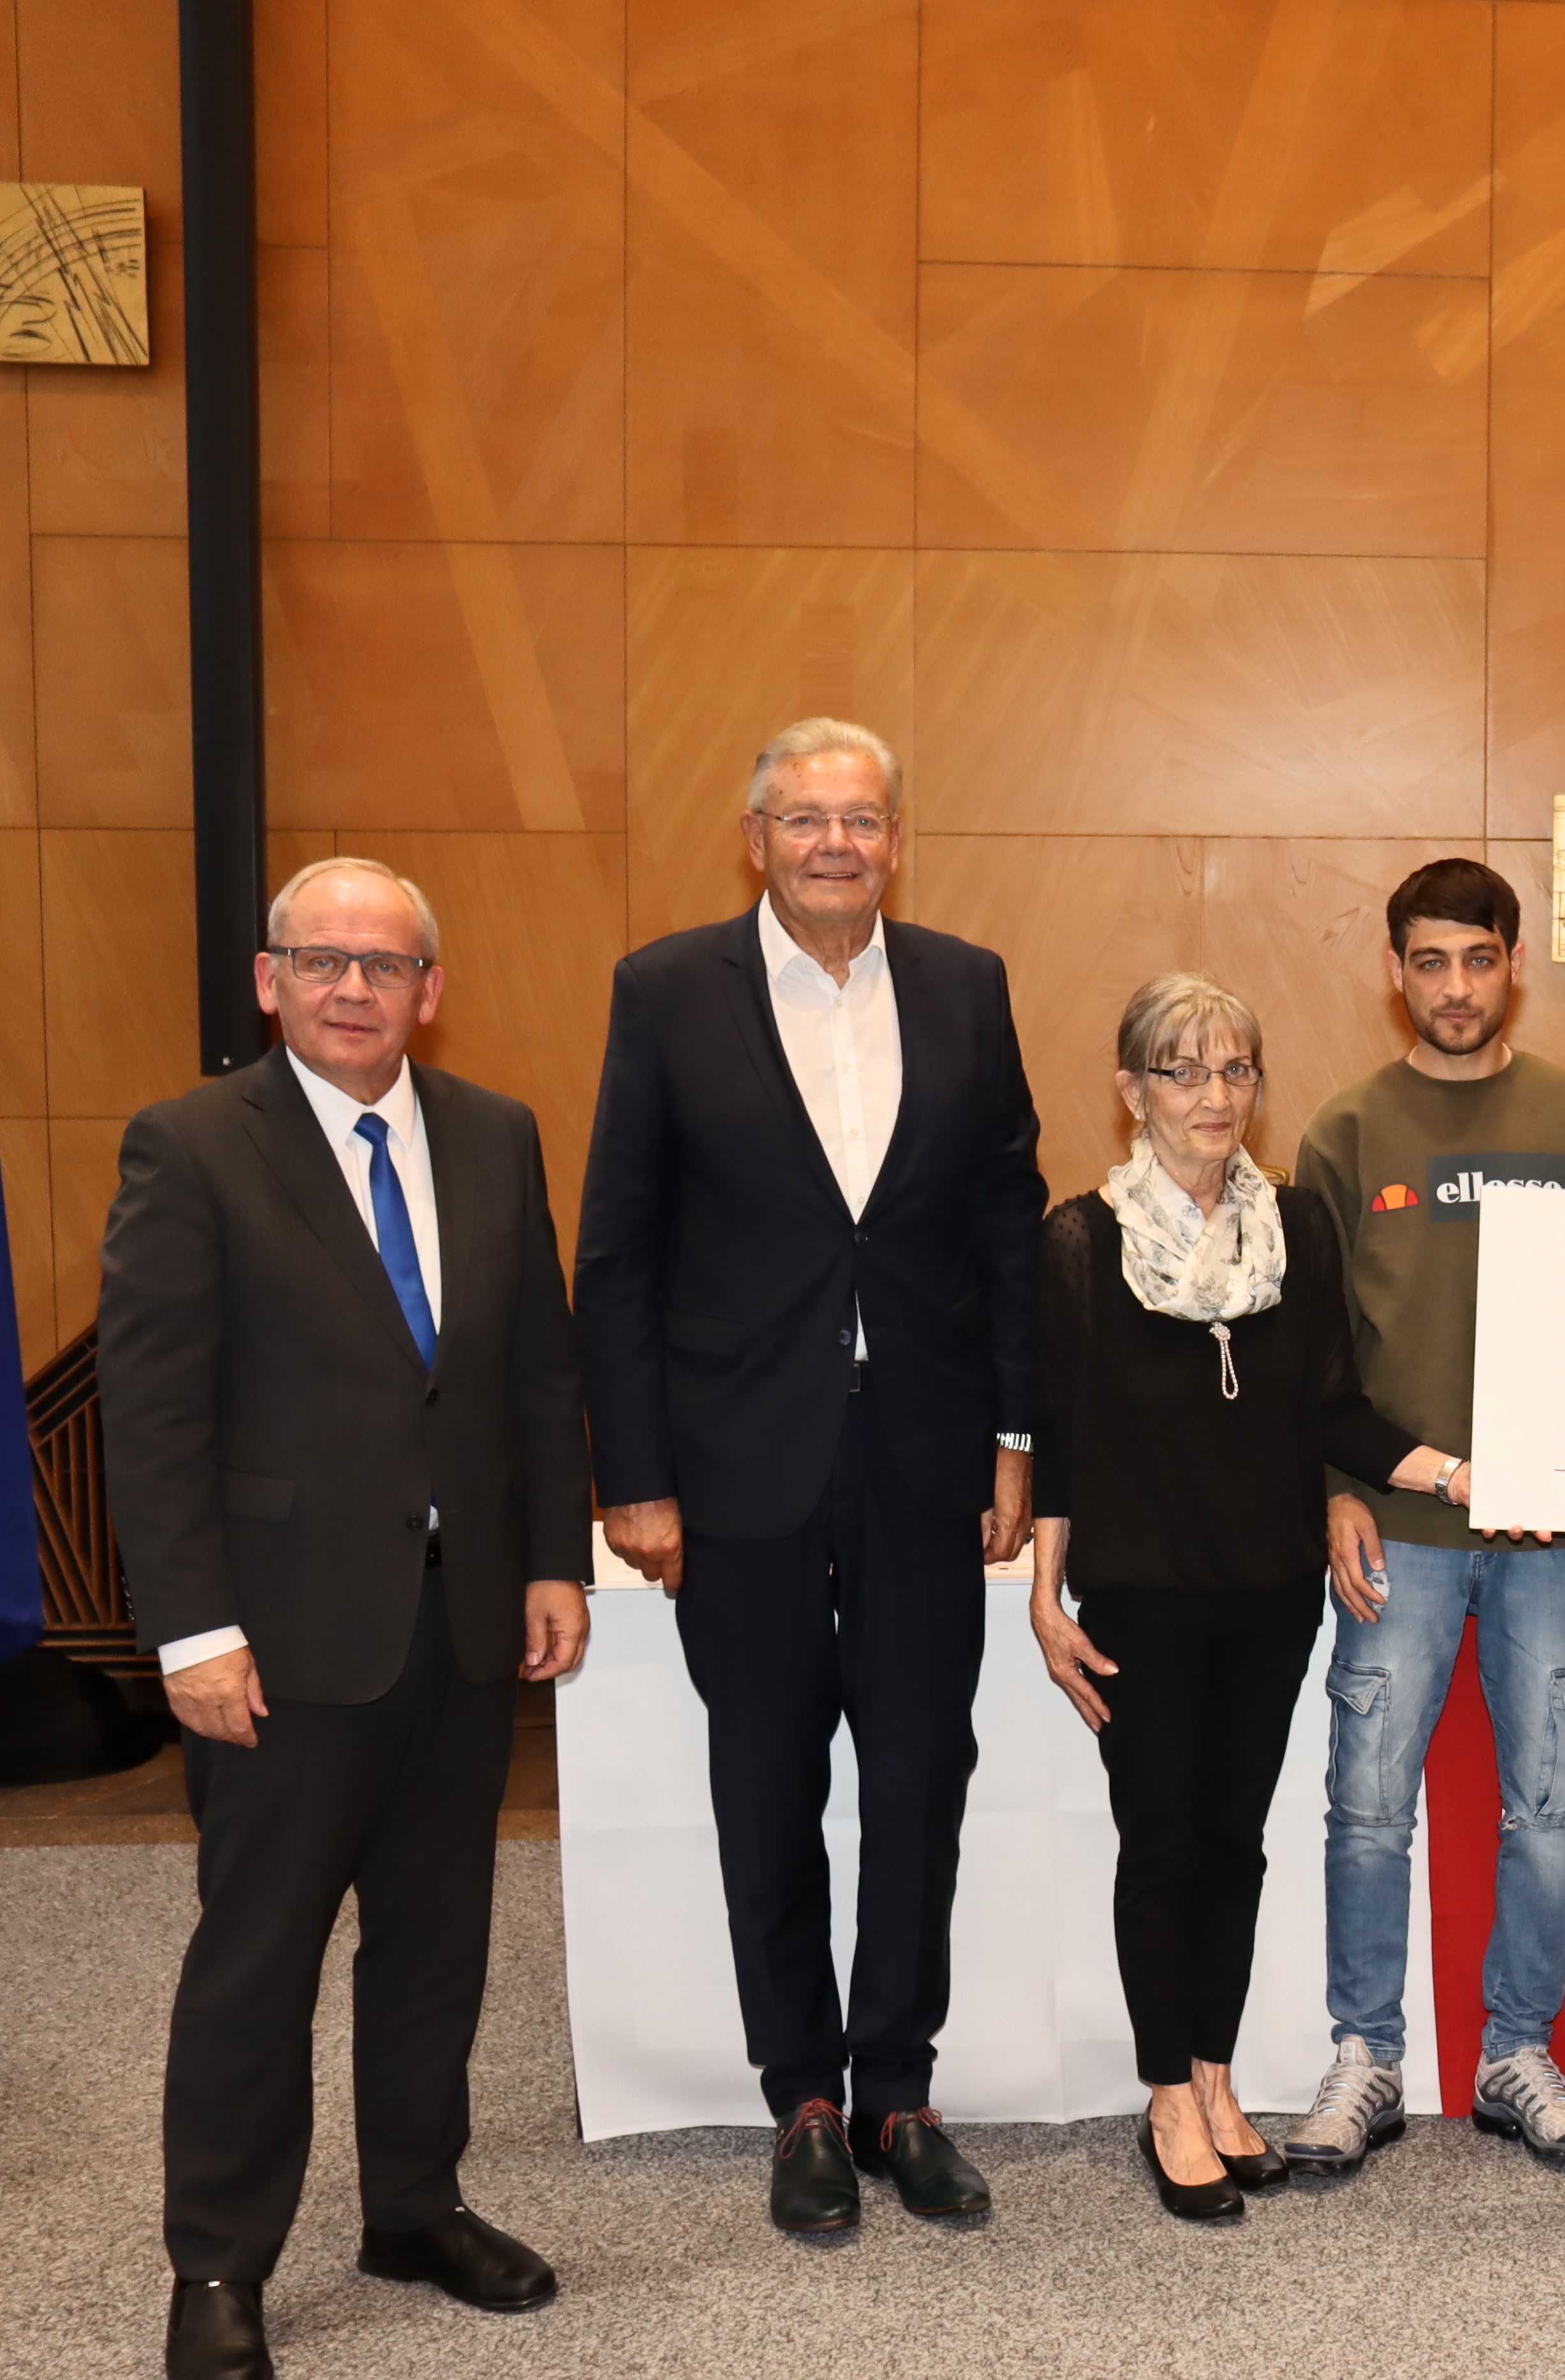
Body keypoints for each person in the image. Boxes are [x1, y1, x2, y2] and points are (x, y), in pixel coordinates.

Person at [101, 859, 591, 2380]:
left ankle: (413, 2205)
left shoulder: (495, 1132)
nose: (352, 988)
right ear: (270, 980)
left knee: (437, 1940)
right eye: (321, 960)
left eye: (384, 965)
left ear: (429, 991)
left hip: (463, 1625)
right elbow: (153, 1413)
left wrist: (553, 1559)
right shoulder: (191, 1145)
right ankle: (218, 2258)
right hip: (282, 1636)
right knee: (259, 1955)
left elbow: (536, 1371)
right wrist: (192, 1631)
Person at [574, 718, 1046, 2233]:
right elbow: (618, 1246)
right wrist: (633, 1471)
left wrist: (1017, 1435)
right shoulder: (665, 990)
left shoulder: (966, 985)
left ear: (895, 839)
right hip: (737, 1459)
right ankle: (805, 2096)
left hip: (923, 1451)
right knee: (765, 1782)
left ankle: (899, 2086)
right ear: (755, 838)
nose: (835, 842)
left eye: (860, 818)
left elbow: (1007, 1221)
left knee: (919, 1779)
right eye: (804, 818)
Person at [1027, 974, 1471, 2222]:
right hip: (1140, 1597)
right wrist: (1046, 1597)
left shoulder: (1299, 1228)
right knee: (1161, 1844)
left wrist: (1456, 1473)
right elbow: (1059, 1436)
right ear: (1132, 1089)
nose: (1213, 1095)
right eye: (1183, 1070)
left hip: (1271, 1593)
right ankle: (1167, 2095)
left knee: (1234, 1841)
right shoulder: (1080, 1242)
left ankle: (1219, 2081)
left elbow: (1335, 1407)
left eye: (1235, 1069)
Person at [1282, 858, 1565, 2174]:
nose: (1457, 986)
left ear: (1513, 963)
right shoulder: (1345, 1130)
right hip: (1396, 1529)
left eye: (1479, 959)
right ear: (1396, 971)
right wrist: (1332, 1495)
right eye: (1430, 961)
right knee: (1368, 1807)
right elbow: (1312, 1355)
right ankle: (1366, 2052)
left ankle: (1515, 2049)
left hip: (1551, 1536)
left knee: (1550, 1806)